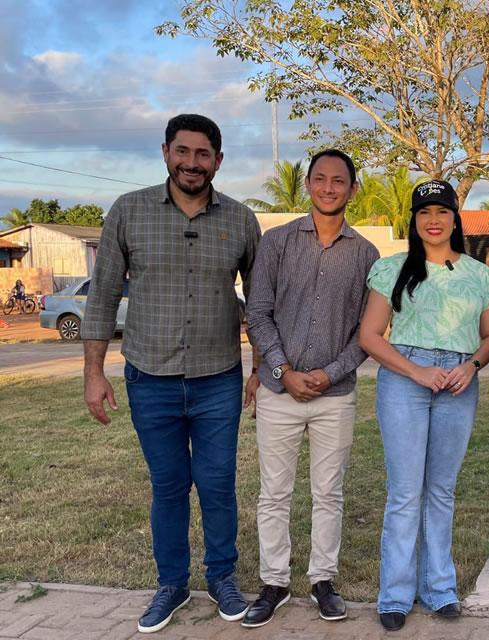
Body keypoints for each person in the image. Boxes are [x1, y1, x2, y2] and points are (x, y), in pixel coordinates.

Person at [82, 114, 261, 634]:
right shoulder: (128, 212)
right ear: (165, 152)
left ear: (218, 161)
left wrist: (259, 368)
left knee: (217, 484)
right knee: (168, 486)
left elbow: (261, 300)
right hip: (149, 378)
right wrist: (95, 373)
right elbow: (103, 297)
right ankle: (172, 584)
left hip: (218, 378)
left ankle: (222, 577)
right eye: (183, 152)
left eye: (203, 154)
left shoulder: (242, 220)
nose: (192, 163)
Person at [241, 150, 380, 628]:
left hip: (334, 398)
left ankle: (323, 580)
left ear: (352, 189)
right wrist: (281, 372)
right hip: (279, 394)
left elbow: (368, 331)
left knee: (329, 493)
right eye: (319, 179)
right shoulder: (276, 243)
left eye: (338, 181)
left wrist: (330, 373)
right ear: (307, 184)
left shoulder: (366, 254)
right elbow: (257, 313)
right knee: (274, 493)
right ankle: (274, 582)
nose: (328, 188)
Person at [358, 180, 489, 631]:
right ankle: (396, 595)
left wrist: (472, 366)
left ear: (456, 219)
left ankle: (440, 589)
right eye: (424, 213)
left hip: (459, 382)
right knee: (405, 493)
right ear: (414, 221)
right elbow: (368, 336)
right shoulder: (392, 268)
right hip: (406, 379)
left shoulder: (479, 274)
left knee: (441, 490)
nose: (433, 220)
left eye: (442, 212)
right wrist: (416, 371)